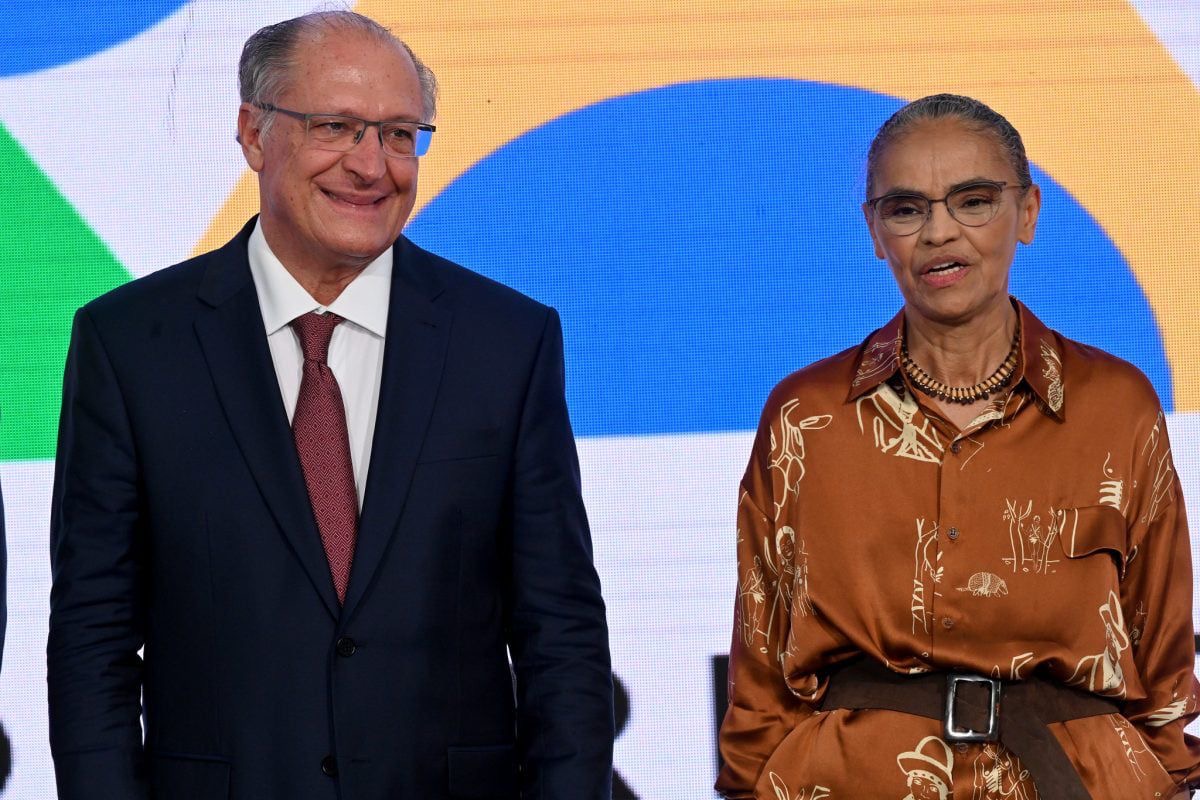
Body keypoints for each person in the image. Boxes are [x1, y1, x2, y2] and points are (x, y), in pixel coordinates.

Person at [48, 11, 613, 799]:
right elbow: (93, 640)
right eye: (336, 127)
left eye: (398, 135)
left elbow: (562, 633)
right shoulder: (131, 344)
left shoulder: (507, 342)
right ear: (254, 134)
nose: (371, 166)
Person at [716, 94, 1199, 799]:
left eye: (973, 201)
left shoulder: (1115, 405)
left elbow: (1163, 663)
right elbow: (761, 673)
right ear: (875, 231)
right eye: (906, 209)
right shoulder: (806, 416)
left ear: (1027, 212)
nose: (940, 232)